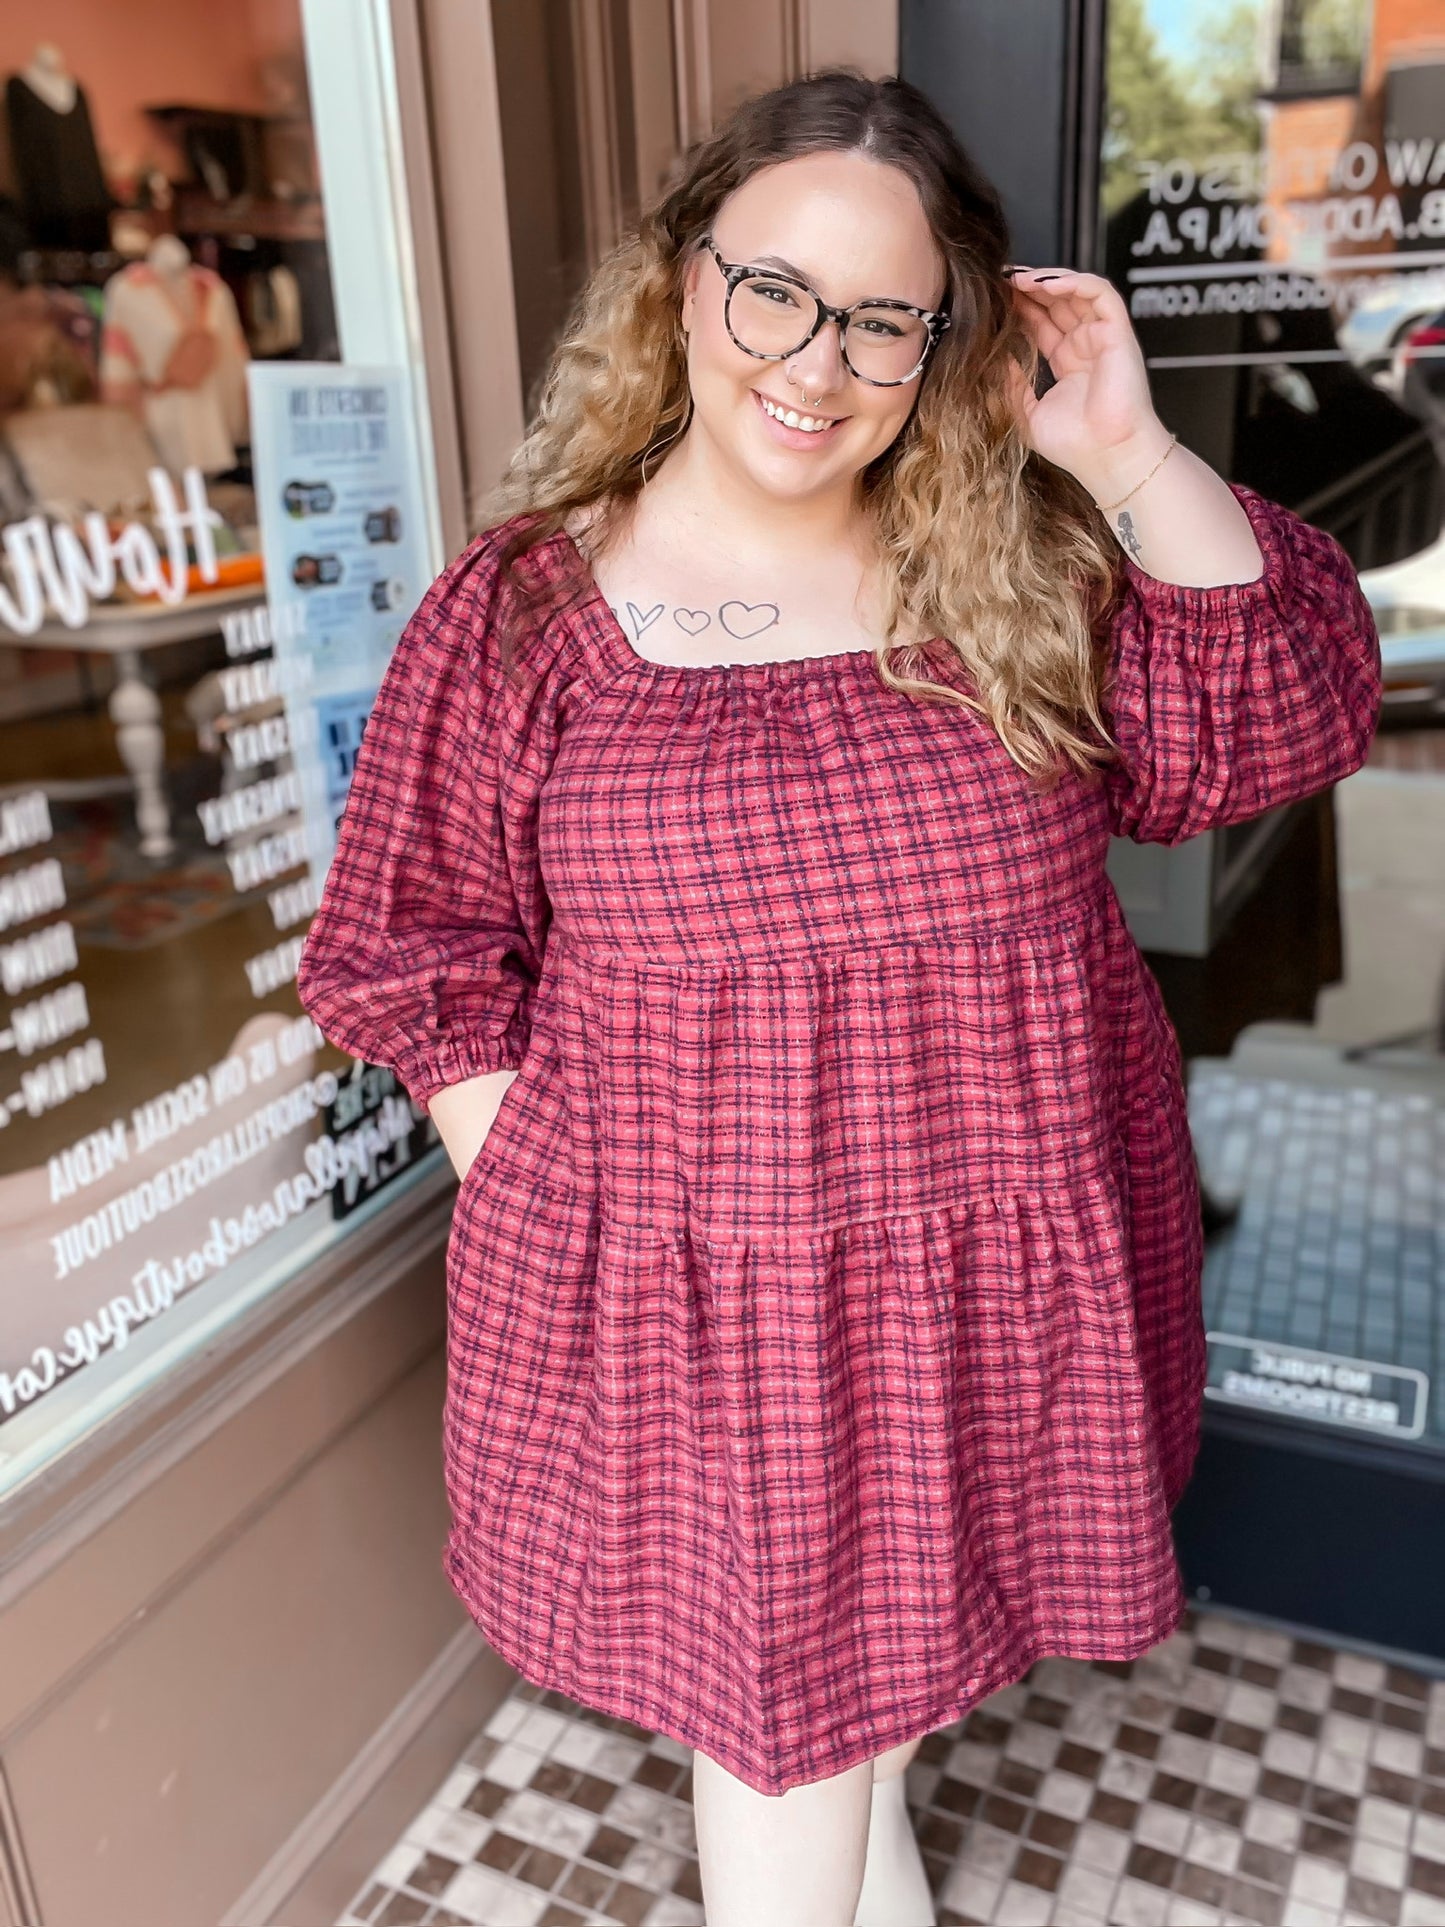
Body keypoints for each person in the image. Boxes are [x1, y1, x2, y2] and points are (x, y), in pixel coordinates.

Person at [295, 69, 1382, 1927]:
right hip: (705, 1310)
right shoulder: (525, 617)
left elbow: (1289, 705)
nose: (815, 361)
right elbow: (407, 946)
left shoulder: (1020, 568)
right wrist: (570, 1198)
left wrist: (1121, 452)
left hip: (985, 1274)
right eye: (772, 290)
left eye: (884, 318)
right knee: (780, 1752)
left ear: (944, 338)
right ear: (682, 282)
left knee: (855, 1728)